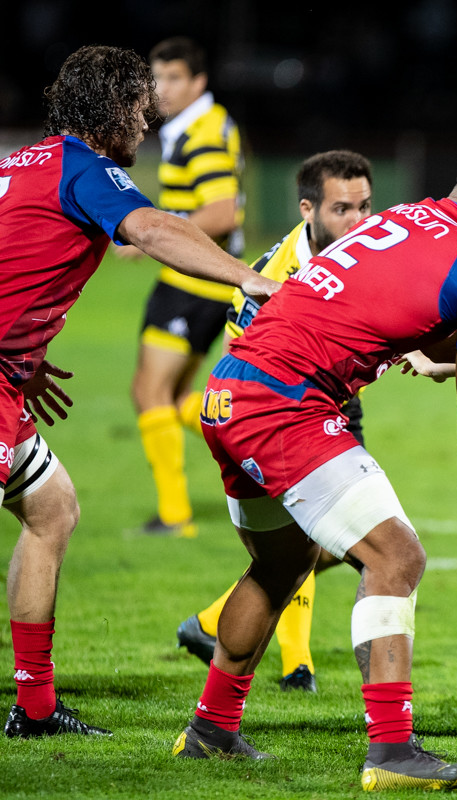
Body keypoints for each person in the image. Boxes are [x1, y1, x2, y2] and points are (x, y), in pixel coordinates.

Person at [172, 114, 457, 793]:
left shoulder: (409, 221)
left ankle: (209, 731)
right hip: (287, 407)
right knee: (396, 555)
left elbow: (441, 345)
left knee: (280, 565)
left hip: (230, 392)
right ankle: (391, 750)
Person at [0, 44, 277, 738]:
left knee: (51, 508)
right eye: (137, 108)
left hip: (7, 379)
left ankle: (34, 709)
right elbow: (152, 228)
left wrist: (18, 357)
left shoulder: (19, 163)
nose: (146, 123)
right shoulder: (82, 168)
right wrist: (246, 277)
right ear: (107, 110)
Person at [174, 150, 374, 694]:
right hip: (277, 410)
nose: (358, 222)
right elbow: (238, 362)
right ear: (307, 209)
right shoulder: (275, 275)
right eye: (342, 209)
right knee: (359, 544)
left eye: (365, 206)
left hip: (331, 398)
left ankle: (214, 626)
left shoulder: (365, 246)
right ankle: (298, 667)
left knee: (324, 545)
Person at [129, 36, 245, 538]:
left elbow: (222, 212)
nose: (163, 89)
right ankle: (243, 425)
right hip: (209, 280)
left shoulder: (201, 133)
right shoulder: (201, 125)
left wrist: (150, 234)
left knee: (148, 390)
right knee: (174, 396)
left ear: (198, 81)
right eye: (157, 78)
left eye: (174, 78)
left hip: (190, 279)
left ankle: (176, 515)